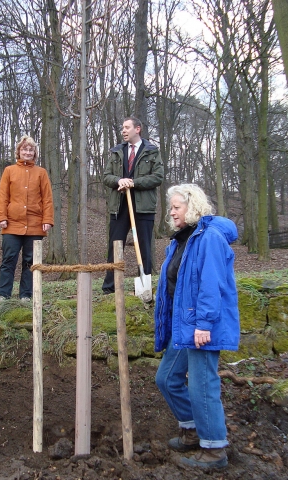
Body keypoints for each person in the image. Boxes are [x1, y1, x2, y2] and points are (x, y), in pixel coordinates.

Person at [154, 184, 240, 469]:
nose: (172, 213)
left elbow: (211, 283)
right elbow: (178, 284)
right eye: (171, 208)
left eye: (176, 207)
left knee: (202, 386)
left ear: (193, 207)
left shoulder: (210, 237)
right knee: (166, 378)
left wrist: (204, 324)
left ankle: (214, 450)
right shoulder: (182, 240)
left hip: (203, 326)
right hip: (185, 326)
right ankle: (191, 431)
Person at [102, 116, 164, 294]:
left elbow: (158, 177)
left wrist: (134, 183)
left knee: (143, 247)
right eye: (122, 127)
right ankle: (109, 288)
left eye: (127, 127)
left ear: (138, 129)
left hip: (143, 207)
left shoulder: (151, 151)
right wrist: (119, 180)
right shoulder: (117, 151)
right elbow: (106, 176)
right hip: (119, 206)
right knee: (115, 246)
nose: (123, 130)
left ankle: (143, 289)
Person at [0, 135, 54, 302]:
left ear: (34, 153)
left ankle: (26, 295)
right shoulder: (9, 171)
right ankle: (3, 294)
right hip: (11, 223)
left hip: (35, 224)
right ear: (18, 152)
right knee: (9, 259)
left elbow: (47, 199)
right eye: (24, 149)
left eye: (30, 149)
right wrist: (1, 217)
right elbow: (2, 196)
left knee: (30, 262)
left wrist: (47, 220)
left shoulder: (41, 173)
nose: (27, 152)